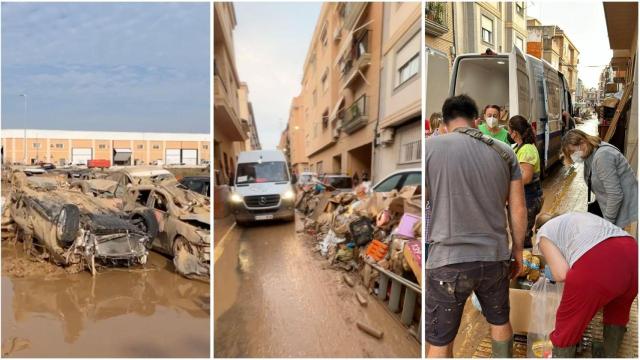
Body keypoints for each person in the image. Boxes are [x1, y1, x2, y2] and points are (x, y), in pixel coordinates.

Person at [425, 94, 527, 358]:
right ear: (477, 120)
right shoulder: (504, 151)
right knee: (500, 323)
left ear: (445, 124)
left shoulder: (430, 148)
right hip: (494, 257)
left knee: (441, 340)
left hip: (448, 261)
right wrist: (517, 251)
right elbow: (517, 208)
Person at [535, 212, 638, 357]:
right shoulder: (574, 218)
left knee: (567, 325)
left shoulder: (544, 233)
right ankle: (609, 354)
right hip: (633, 254)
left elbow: (561, 273)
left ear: (537, 229)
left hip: (597, 264)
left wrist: (550, 272)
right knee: (618, 311)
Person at [561, 129, 637, 230]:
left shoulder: (603, 156)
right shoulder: (589, 155)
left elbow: (615, 194)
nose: (572, 155)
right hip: (611, 209)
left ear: (583, 142)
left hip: (620, 211)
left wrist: (608, 224)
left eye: (573, 151)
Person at [508, 115, 543, 248]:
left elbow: (526, 178)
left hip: (528, 198)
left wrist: (506, 183)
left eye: (509, 130)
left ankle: (525, 264)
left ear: (515, 132)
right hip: (524, 197)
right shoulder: (519, 147)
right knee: (519, 234)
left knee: (522, 236)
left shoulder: (527, 149)